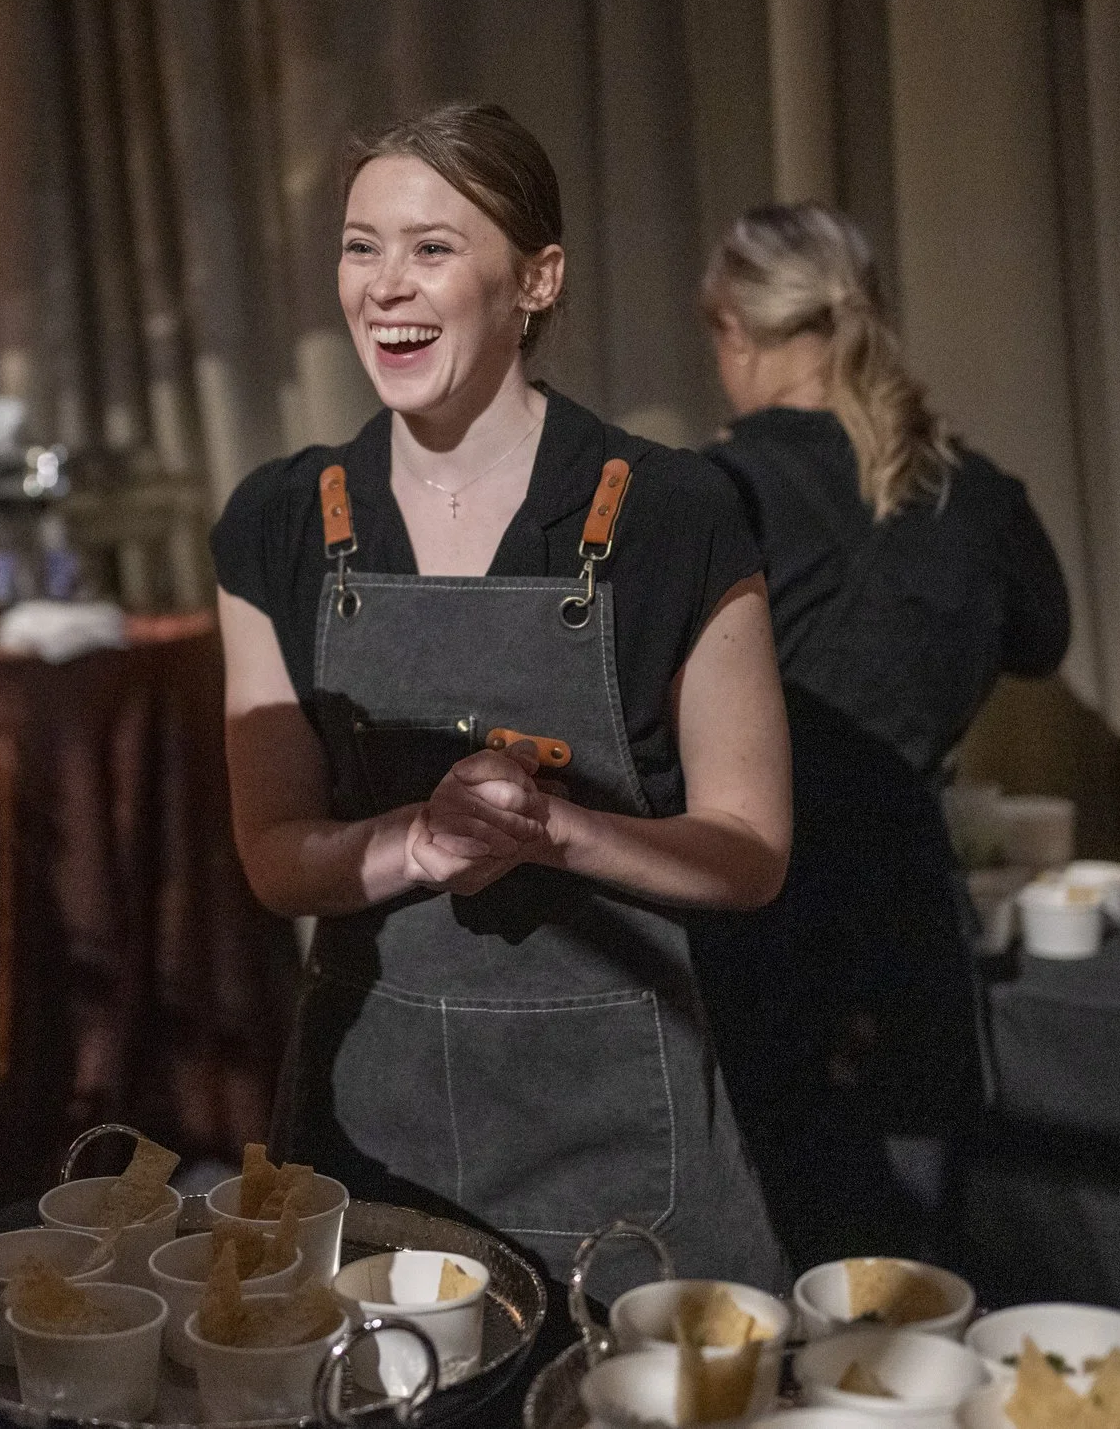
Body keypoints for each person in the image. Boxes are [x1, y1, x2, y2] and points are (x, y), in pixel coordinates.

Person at [212, 102, 795, 1293]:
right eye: (360, 244)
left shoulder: (673, 513)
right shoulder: (276, 521)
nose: (385, 284)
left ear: (536, 278)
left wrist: (551, 828)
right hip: (371, 1130)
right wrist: (419, 840)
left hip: (611, 1132)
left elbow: (750, 851)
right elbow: (275, 856)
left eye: (432, 247)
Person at [687, 202, 1070, 1266]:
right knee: (909, 1303)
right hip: (908, 944)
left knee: (771, 1296)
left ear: (735, 328)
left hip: (758, 953)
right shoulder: (975, 491)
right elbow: (1043, 634)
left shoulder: (715, 492)